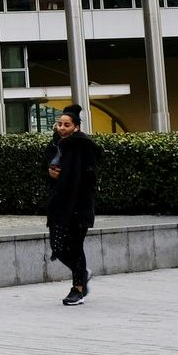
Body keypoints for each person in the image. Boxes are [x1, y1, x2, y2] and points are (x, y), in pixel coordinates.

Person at [45, 103, 101, 306]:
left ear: (76, 127)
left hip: (78, 206)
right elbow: (48, 169)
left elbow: (89, 177)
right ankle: (83, 273)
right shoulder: (54, 145)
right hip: (58, 205)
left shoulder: (83, 146)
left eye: (66, 125)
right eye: (59, 124)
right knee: (57, 246)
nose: (61, 128)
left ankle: (78, 289)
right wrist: (50, 174)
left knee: (75, 247)